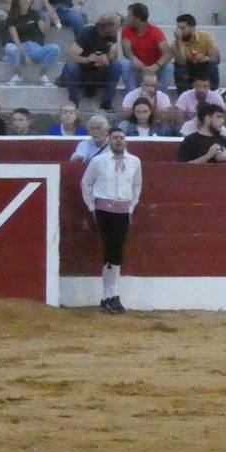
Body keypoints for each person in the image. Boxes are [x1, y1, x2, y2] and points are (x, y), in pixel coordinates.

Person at [80, 126, 141, 314]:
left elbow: (137, 185)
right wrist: (91, 206)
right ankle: (111, 295)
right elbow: (86, 183)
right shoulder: (98, 161)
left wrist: (131, 207)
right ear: (109, 140)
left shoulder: (134, 161)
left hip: (122, 210)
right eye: (115, 138)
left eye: (121, 138)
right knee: (111, 250)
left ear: (126, 141)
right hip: (103, 210)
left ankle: (109, 296)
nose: (118, 141)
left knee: (115, 251)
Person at [61, 13, 122, 109]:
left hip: (97, 71)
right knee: (71, 66)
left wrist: (106, 57)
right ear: (107, 27)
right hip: (82, 71)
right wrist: (87, 59)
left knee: (116, 65)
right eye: (117, 26)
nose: (119, 29)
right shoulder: (87, 33)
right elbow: (71, 55)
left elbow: (114, 54)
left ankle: (106, 102)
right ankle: (73, 104)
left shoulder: (112, 35)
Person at [3, 0, 59, 86]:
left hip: (35, 48)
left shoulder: (34, 14)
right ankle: (18, 75)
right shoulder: (12, 17)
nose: (27, 1)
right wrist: (25, 55)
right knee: (9, 47)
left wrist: (48, 18)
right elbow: (15, 39)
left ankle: (42, 75)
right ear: (18, 0)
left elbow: (44, 31)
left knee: (55, 48)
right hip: (20, 49)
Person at [120, 2, 173, 91]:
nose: (127, 18)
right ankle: (132, 96)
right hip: (138, 69)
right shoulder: (127, 30)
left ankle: (158, 96)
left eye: (129, 16)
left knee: (170, 67)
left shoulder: (155, 31)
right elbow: (126, 51)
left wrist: (156, 66)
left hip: (154, 71)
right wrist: (133, 59)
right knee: (125, 64)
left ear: (137, 18)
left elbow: (167, 53)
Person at [170, 13, 221, 89]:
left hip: (202, 66)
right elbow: (181, 61)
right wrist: (178, 40)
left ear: (192, 28)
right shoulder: (176, 43)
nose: (179, 31)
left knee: (212, 66)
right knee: (179, 68)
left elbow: (217, 59)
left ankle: (213, 94)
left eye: (183, 28)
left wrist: (206, 58)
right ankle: (183, 96)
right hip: (187, 67)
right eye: (178, 28)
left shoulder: (205, 36)